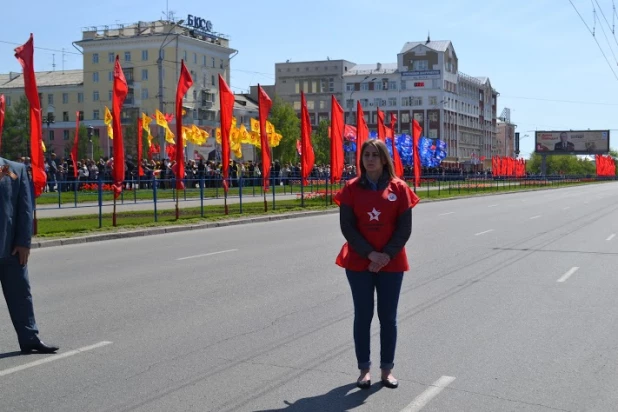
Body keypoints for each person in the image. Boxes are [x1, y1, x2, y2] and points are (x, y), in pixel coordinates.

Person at [334, 139, 420, 390]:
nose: (370, 159)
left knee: (388, 317)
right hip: (359, 262)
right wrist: (371, 254)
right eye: (366, 155)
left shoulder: (400, 188)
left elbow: (404, 229)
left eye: (375, 155)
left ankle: (387, 369)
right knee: (363, 316)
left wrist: (385, 256)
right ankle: (364, 370)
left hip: (391, 264)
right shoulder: (350, 188)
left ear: (384, 159)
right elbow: (347, 227)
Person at [0, 156, 59, 354]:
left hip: (11, 249)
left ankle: (29, 339)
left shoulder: (15, 169)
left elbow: (25, 208)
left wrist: (24, 242)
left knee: (21, 295)